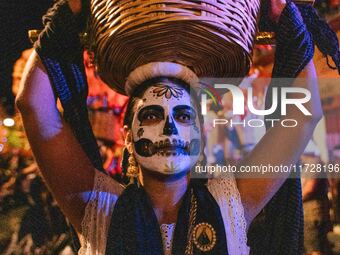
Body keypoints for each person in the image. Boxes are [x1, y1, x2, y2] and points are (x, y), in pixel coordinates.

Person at [15, 0, 324, 254]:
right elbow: (32, 106)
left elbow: (301, 118)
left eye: (184, 116)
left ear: (201, 138)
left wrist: (289, 19)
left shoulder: (231, 206)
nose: (169, 129)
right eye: (150, 115)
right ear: (128, 137)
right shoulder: (98, 210)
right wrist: (64, 18)